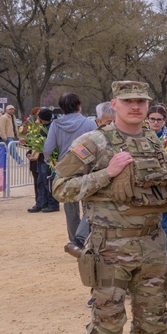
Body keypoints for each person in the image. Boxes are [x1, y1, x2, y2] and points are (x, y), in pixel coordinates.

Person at [51, 81, 167, 334]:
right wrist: (104, 174)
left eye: (142, 101)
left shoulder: (152, 140)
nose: (136, 107)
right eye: (129, 101)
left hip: (152, 245)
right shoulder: (94, 142)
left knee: (153, 319)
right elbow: (59, 187)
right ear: (114, 104)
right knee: (107, 324)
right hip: (111, 247)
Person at [43, 93, 98, 242]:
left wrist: (50, 161)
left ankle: (75, 241)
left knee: (70, 209)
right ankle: (85, 238)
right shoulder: (89, 123)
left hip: (66, 169)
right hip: (87, 168)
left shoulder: (55, 125)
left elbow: (48, 148)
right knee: (90, 206)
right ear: (79, 106)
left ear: (61, 107)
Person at [146, 105, 167, 256]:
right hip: (148, 186)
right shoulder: (140, 137)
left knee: (166, 225)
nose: (155, 122)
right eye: (152, 119)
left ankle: (164, 257)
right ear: (147, 120)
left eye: (159, 120)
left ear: (164, 120)